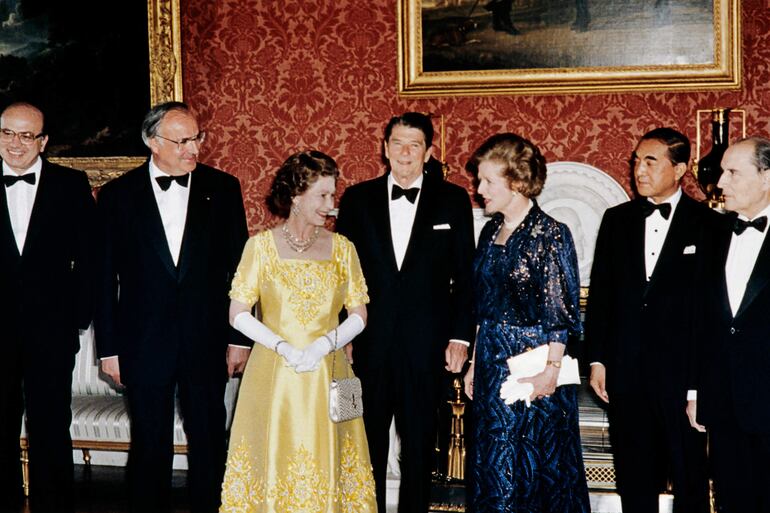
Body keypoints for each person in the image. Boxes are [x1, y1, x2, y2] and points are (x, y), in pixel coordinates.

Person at [95, 101, 248, 513]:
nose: (192, 149)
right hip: (142, 342)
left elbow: (241, 273)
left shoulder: (225, 188)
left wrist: (239, 338)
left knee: (210, 438)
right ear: (152, 142)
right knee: (148, 442)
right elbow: (103, 280)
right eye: (180, 141)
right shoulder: (116, 196)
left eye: (196, 138)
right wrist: (108, 350)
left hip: (208, 338)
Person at [220, 150, 376, 513]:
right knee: (273, 455)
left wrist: (323, 345)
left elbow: (359, 313)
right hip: (274, 370)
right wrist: (285, 348)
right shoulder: (259, 247)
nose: (330, 204)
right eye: (322, 195)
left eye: (332, 195)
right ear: (295, 196)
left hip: (337, 371)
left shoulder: (343, 248)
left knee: (346, 456)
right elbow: (238, 313)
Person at [336, 112, 475, 513]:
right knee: (365, 443)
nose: (405, 152)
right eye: (398, 143)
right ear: (385, 148)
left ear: (429, 152)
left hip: (426, 346)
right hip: (367, 344)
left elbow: (467, 276)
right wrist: (343, 336)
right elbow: (341, 275)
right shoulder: (357, 200)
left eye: (415, 145)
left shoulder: (452, 199)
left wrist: (461, 336)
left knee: (419, 446)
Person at [586, 128, 711, 513]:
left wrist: (697, 386)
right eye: (636, 161)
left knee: (690, 479)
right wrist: (597, 360)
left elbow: (709, 313)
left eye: (650, 161)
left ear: (680, 169)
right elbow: (601, 297)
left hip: (681, 380)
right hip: (627, 375)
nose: (638, 170)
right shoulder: (615, 220)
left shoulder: (709, 224)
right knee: (634, 478)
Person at [463, 133, 589, 512]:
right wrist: (473, 362)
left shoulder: (551, 234)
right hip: (490, 363)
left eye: (487, 181)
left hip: (533, 366)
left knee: (532, 466)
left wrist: (551, 371)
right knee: (492, 464)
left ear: (516, 183)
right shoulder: (489, 232)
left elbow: (560, 314)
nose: (479, 189)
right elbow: (482, 304)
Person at [0, 102, 98, 513]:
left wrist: (77, 317)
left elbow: (92, 257)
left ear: (43, 141)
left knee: (51, 426)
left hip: (52, 331)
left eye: (26, 135)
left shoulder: (70, 185)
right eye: (7, 132)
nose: (15, 143)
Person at [687, 136, 770, 512]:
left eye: (733, 172)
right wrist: (694, 391)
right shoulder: (713, 233)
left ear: (766, 177)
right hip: (723, 401)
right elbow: (699, 321)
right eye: (722, 172)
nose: (721, 183)